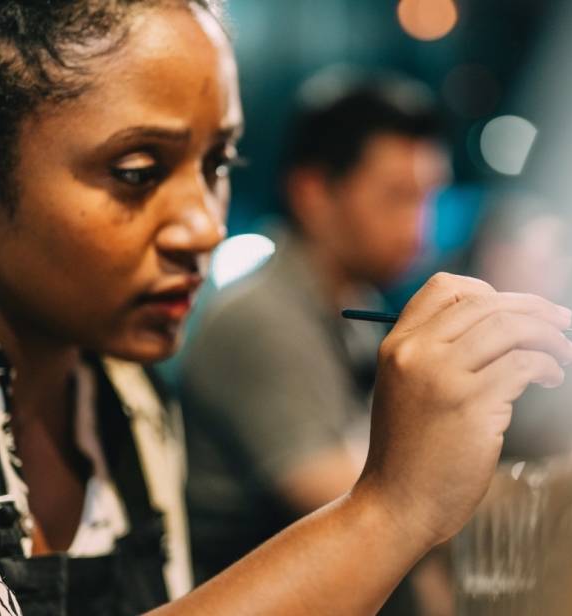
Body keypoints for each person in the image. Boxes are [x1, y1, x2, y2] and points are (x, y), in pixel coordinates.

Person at [0, 1, 572, 614]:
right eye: (138, 173)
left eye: (217, 167)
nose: (204, 225)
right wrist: (391, 506)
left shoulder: (124, 398)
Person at [172, 70, 450, 614]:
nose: (421, 229)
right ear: (314, 193)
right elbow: (352, 500)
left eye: (428, 198)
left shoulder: (352, 304)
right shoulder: (262, 316)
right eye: (398, 197)